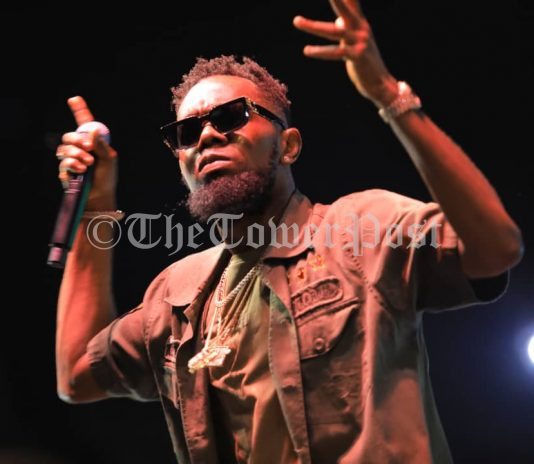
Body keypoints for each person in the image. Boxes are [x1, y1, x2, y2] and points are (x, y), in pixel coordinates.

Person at [53, 1, 523, 463]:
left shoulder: (361, 229)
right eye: (187, 133)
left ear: (289, 145)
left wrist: (389, 96)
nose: (208, 136)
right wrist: (95, 207)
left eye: (231, 117)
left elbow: (495, 249)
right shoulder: (176, 295)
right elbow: (77, 376)